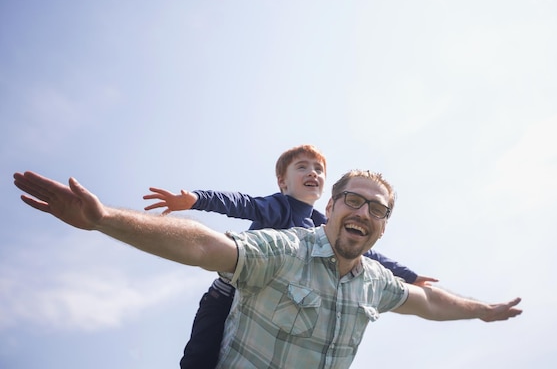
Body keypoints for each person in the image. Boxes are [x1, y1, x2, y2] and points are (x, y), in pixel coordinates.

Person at [13, 169, 523, 369]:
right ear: (330, 207)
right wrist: (104, 219)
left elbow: (431, 301)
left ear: (384, 227)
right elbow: (205, 245)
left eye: (377, 210)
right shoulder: (285, 248)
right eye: (352, 200)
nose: (363, 213)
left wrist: (482, 311)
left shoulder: (375, 282)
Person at [142, 144, 438, 369]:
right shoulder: (279, 207)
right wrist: (196, 199)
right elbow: (241, 204)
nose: (312, 173)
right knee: (201, 357)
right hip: (227, 295)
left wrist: (409, 276)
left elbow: (368, 252)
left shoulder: (324, 224)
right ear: (283, 182)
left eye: (318, 169)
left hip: (268, 305)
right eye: (302, 167)